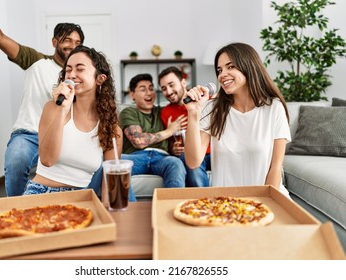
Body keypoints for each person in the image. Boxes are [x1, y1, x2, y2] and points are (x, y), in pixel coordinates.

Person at [0, 0, 85, 196]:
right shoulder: (36, 61)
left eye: (78, 43)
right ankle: (18, 210)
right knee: (16, 161)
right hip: (28, 134)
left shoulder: (81, 74)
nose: (72, 46)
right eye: (67, 40)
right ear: (55, 42)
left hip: (62, 136)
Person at [23, 45, 130, 202]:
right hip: (41, 193)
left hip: (80, 199)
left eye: (80, 69)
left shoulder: (112, 130)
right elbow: (47, 159)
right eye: (68, 69)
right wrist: (62, 110)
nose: (72, 75)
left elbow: (110, 181)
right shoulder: (53, 108)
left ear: (100, 78)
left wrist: (110, 214)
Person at [183, 42, 291, 196]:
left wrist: (262, 206)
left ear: (248, 66)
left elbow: (276, 168)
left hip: (267, 200)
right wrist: (193, 114)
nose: (222, 75)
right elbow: (193, 162)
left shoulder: (274, 107)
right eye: (219, 70)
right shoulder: (212, 109)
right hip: (225, 204)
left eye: (230, 66)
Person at [120, 73, 186, 189]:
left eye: (151, 88)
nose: (149, 93)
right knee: (114, 163)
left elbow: (183, 104)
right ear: (132, 95)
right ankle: (131, 206)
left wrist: (173, 148)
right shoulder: (128, 112)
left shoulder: (164, 112)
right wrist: (169, 131)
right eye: (143, 89)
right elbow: (138, 141)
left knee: (176, 164)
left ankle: (171, 206)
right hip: (135, 157)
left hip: (163, 158)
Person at [158, 66, 211, 187]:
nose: (169, 92)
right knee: (190, 163)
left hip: (215, 152)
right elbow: (171, 144)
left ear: (183, 82)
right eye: (164, 88)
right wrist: (173, 149)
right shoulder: (166, 112)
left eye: (172, 85)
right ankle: (202, 202)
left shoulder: (204, 99)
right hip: (192, 156)